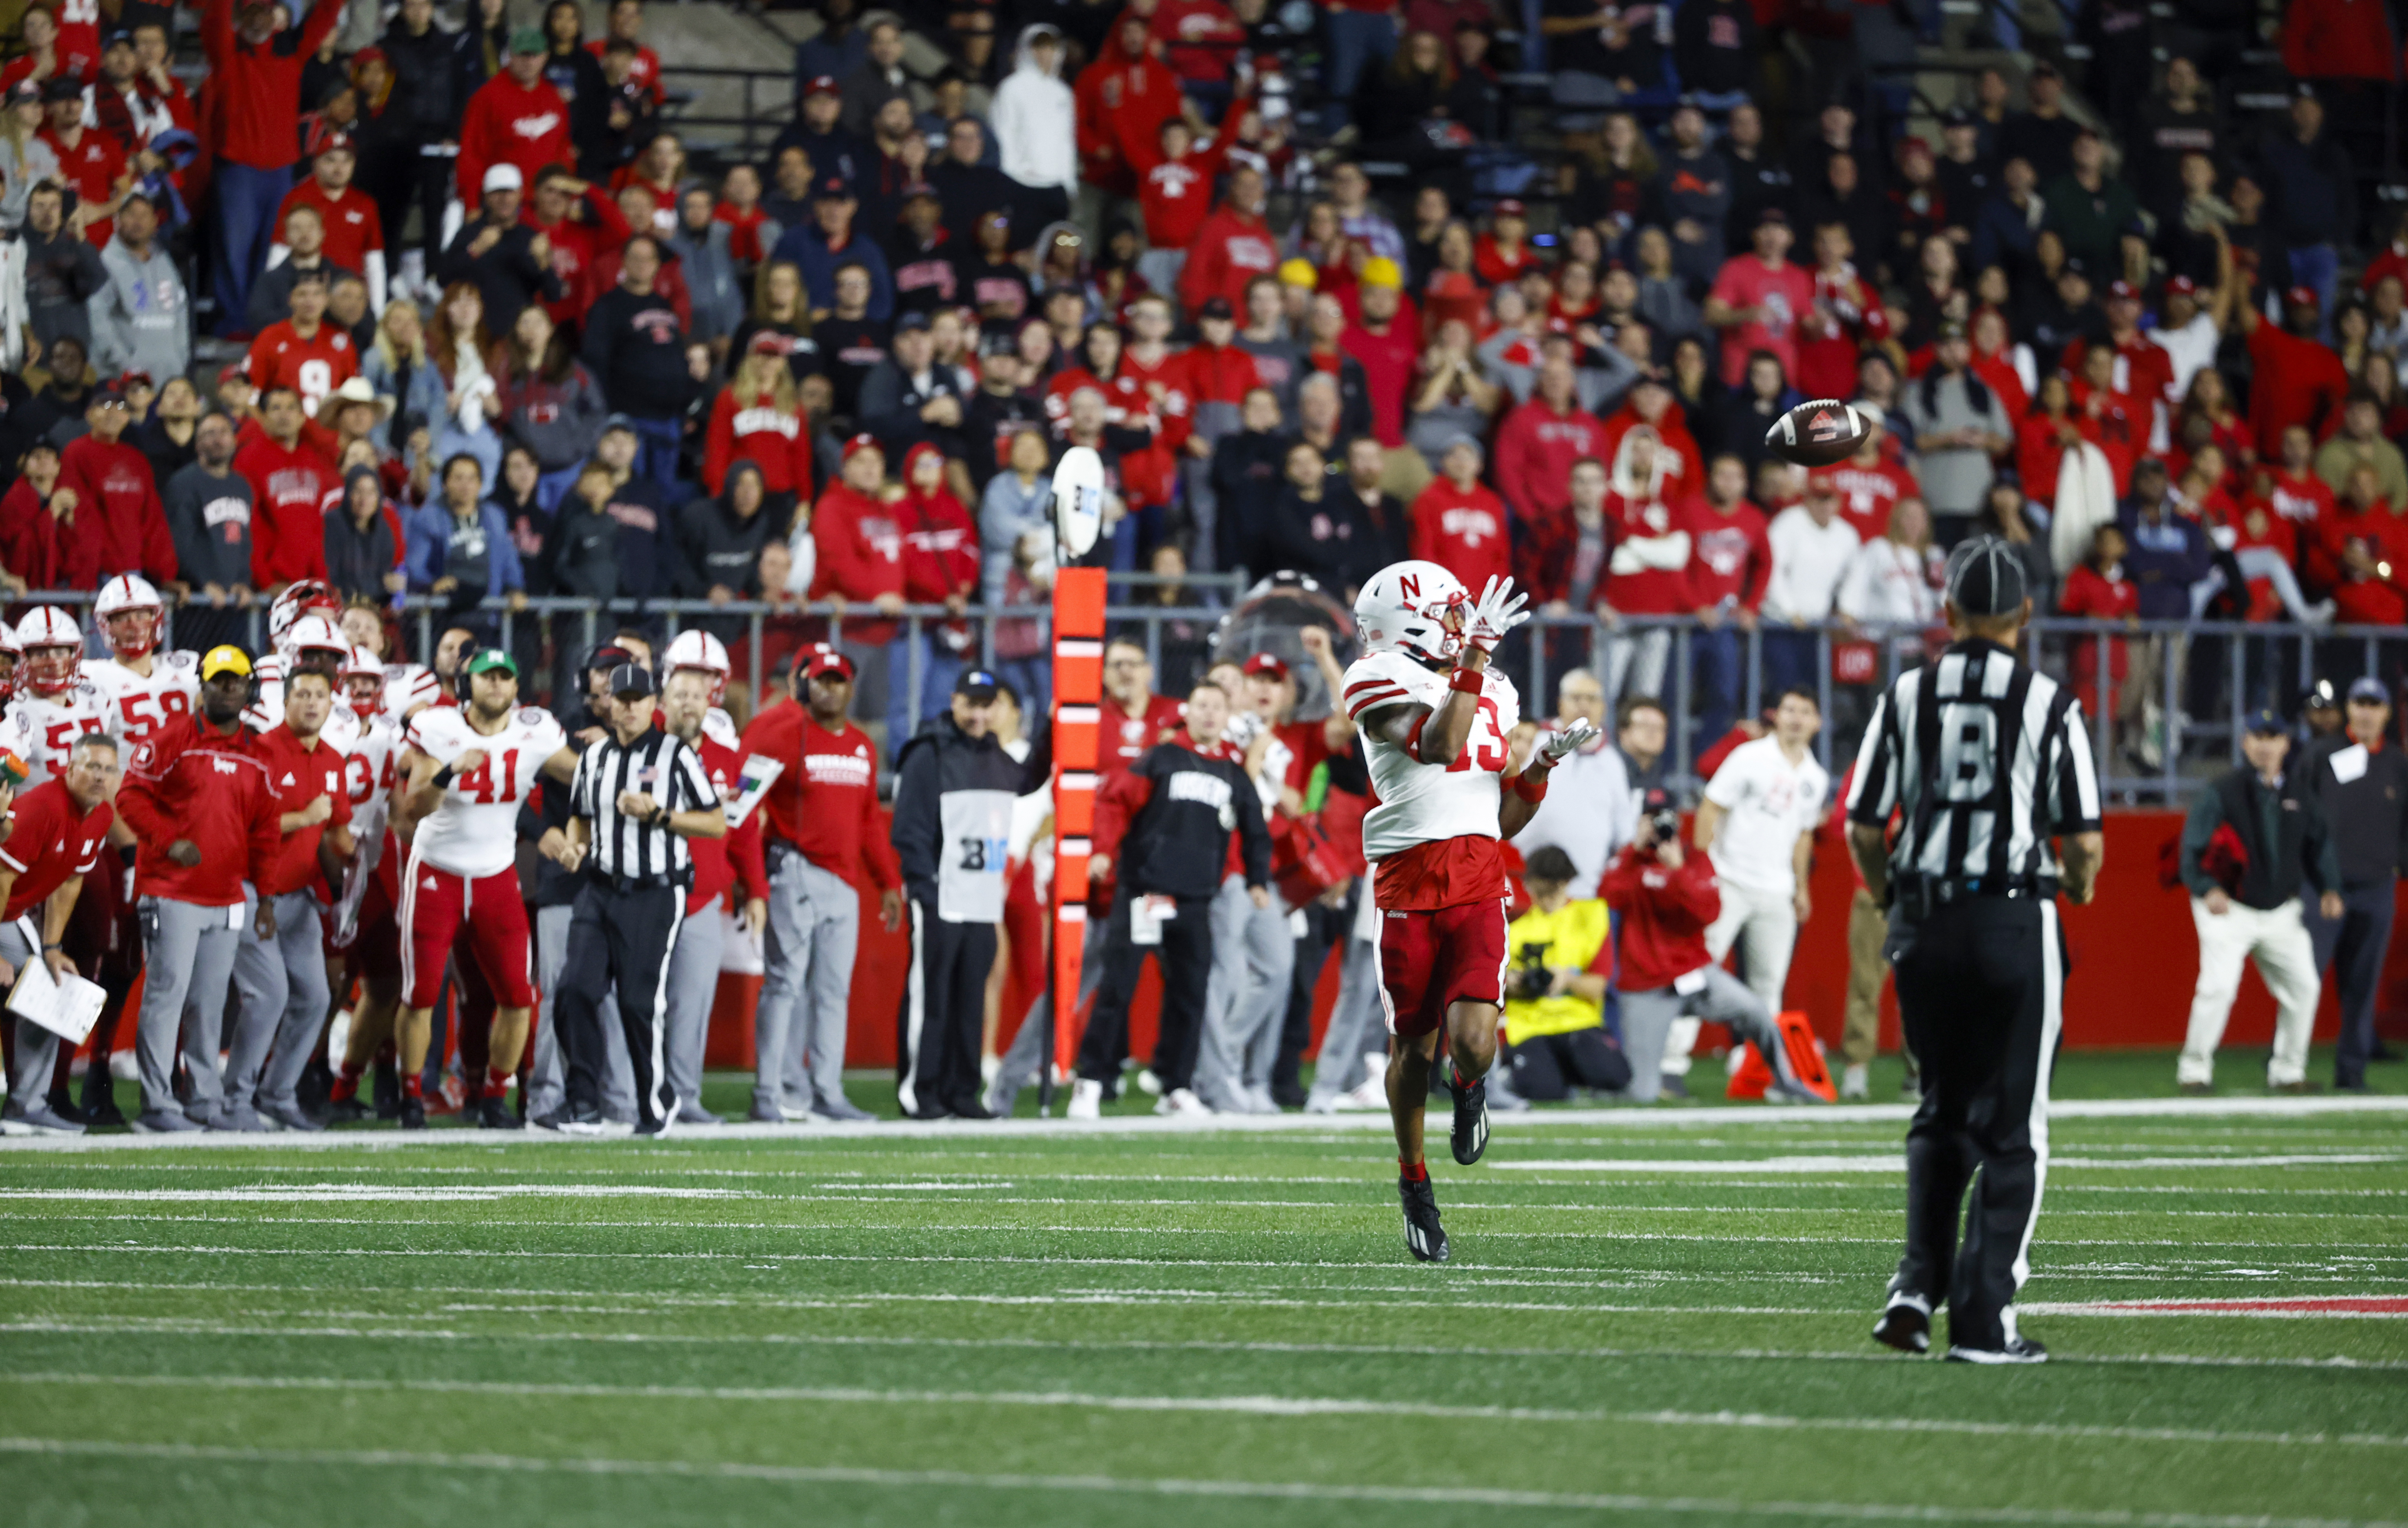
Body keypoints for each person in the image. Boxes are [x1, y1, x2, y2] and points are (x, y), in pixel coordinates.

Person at [1847, 536, 2104, 1364]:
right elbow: (2085, 841)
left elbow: (1860, 826)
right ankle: (1986, 1322)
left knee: (1939, 1111)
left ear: (1947, 613)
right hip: (2011, 920)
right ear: (2024, 616)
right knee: (2012, 1126)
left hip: (1923, 924)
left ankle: (1916, 1287)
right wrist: (2081, 885)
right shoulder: (2047, 701)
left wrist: (1892, 897)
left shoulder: (1905, 693)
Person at [1340, 562, 1582, 1261]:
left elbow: (1500, 821)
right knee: (1412, 1050)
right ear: (1411, 621)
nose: (1462, 625)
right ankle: (1414, 1180)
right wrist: (1472, 656)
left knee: (1473, 1042)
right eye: (1451, 614)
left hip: (1478, 874)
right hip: (1408, 880)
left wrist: (1537, 770)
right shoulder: (1375, 676)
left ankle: (1471, 1085)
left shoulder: (1495, 690)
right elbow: (1439, 747)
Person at [391, 650, 580, 1129]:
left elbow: (583, 778)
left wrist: (611, 762)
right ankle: (410, 1095)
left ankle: (496, 1095)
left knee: (519, 997)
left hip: (497, 875)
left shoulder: (534, 729)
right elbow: (413, 810)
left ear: (517, 687)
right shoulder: (438, 728)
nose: (496, 685)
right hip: (438, 872)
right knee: (422, 993)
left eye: (505, 677)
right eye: (486, 677)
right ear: (465, 684)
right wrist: (451, 771)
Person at [1072, 679, 1272, 1118]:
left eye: (1216, 708)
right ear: (1188, 711)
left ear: (1225, 717)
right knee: (1118, 986)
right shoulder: (1160, 758)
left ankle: (1176, 1086)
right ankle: (1089, 1080)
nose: (1208, 714)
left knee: (1190, 995)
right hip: (1146, 892)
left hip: (1196, 900)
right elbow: (1114, 803)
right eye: (1201, 705)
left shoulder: (1232, 773)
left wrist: (1258, 878)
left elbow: (1256, 830)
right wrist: (1102, 850)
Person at [114, 645, 283, 1132]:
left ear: (250, 688)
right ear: (202, 686)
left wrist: (266, 897)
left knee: (209, 1004)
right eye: (219, 680)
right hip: (171, 890)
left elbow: (266, 834)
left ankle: (203, 1099)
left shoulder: (260, 754)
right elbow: (129, 796)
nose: (229, 688)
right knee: (167, 996)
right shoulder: (172, 740)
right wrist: (169, 842)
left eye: (237, 681)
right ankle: (157, 1103)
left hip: (229, 895)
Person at [742, 646, 902, 1123]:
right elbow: (742, 805)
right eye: (820, 680)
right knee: (785, 984)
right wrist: (750, 877)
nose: (829, 688)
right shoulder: (782, 734)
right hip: (794, 869)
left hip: (844, 881)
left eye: (838, 680)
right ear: (804, 685)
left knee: (833, 990)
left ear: (851, 687)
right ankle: (768, 1093)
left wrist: (888, 881)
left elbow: (870, 820)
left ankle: (825, 1091)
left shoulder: (860, 745)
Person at [889, 668, 1052, 1119]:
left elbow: (1028, 781)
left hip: (981, 895)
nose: (980, 714)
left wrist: (1056, 728)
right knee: (932, 997)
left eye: (988, 705)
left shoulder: (991, 753)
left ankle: (961, 1091)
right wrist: (925, 888)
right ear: (955, 702)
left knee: (969, 998)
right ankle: (920, 1092)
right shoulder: (928, 752)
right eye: (972, 704)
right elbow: (909, 829)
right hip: (942, 894)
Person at [1605, 785, 1823, 1105]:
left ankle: (1786, 1080)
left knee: (1757, 1012)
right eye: (1649, 819)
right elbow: (1609, 894)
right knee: (1644, 1093)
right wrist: (1632, 850)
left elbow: (1708, 911)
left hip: (1696, 973)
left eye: (1662, 817)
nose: (1657, 826)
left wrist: (1677, 871)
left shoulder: (1693, 860)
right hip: (1647, 985)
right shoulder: (1630, 863)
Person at [2176, 708, 2343, 1094]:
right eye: (2258, 737)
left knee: (2304, 987)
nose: (2265, 745)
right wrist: (2207, 887)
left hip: (2281, 911)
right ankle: (2194, 1070)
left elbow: (2320, 844)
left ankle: (2287, 1071)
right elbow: (2191, 848)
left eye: (2273, 737)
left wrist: (2330, 887)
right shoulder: (2223, 790)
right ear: (2244, 742)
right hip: (2228, 907)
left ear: (2286, 743)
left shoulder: (2299, 794)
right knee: (2218, 987)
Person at [1670, 686, 1828, 1091]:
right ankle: (1670, 1063)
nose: (1795, 717)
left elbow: (1802, 836)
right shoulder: (1749, 757)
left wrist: (1800, 888)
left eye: (1804, 711)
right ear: (1776, 715)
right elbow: (1710, 806)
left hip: (1775, 888)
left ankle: (1760, 1070)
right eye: (1789, 708)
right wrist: (1704, 868)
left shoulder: (1815, 776)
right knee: (1696, 971)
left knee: (1767, 985)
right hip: (1730, 880)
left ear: (1817, 722)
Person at [217, 667, 355, 1132]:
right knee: (269, 994)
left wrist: (348, 876)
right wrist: (303, 818)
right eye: (302, 694)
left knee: (316, 997)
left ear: (331, 704)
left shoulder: (335, 761)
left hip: (299, 897)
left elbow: (334, 830)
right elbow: (238, 828)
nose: (312, 703)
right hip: (253, 890)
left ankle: (278, 1094)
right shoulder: (260, 752)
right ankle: (235, 1101)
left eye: (320, 694)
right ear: (285, 700)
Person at [0, 733, 121, 1136]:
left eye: (108, 769)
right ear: (69, 770)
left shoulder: (100, 814)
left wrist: (51, 946)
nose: (100, 777)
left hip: (10, 916)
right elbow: (1, 877)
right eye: (91, 767)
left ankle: (25, 1106)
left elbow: (70, 881)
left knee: (52, 991)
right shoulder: (42, 807)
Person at [2303, 676, 2408, 1093]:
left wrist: (2398, 865)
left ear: (2385, 712)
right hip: (2324, 887)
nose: (2365, 711)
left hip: (2375, 886)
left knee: (2362, 984)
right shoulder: (2321, 755)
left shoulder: (2398, 765)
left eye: (2374, 704)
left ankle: (2351, 1073)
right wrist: (2307, 873)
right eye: (2359, 703)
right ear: (2348, 708)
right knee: (2302, 979)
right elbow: (2300, 814)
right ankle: (2286, 1066)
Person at [1501, 844, 1633, 1102]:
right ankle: (1527, 1073)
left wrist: (1567, 980)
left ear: (1565, 883)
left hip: (1577, 1022)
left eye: (1550, 891)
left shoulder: (1590, 916)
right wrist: (1515, 983)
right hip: (1529, 1025)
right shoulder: (1517, 930)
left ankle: (1562, 1072)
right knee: (1543, 1092)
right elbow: (1499, 987)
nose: (1545, 899)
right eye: (1539, 892)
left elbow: (1598, 986)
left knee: (1615, 1077)